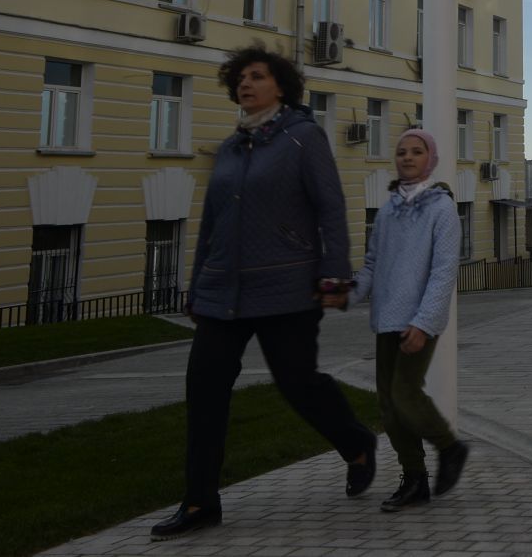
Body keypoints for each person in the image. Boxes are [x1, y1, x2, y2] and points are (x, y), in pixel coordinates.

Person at [152, 45, 377, 541]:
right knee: (204, 393)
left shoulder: (303, 138)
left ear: (281, 86)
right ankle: (199, 502)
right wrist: (197, 287)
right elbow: (211, 221)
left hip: (286, 288)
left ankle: (356, 442)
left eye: (257, 76)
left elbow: (330, 208)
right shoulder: (233, 146)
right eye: (241, 78)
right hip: (221, 293)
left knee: (299, 384)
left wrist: (334, 276)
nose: (246, 84)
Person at [340, 128, 467, 513]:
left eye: (416, 151)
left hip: (418, 320)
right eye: (401, 152)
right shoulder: (388, 210)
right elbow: (373, 264)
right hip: (387, 319)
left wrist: (425, 322)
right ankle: (414, 480)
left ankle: (450, 447)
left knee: (405, 395)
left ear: (431, 160)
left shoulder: (442, 209)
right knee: (389, 406)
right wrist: (347, 294)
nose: (407, 157)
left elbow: (444, 271)